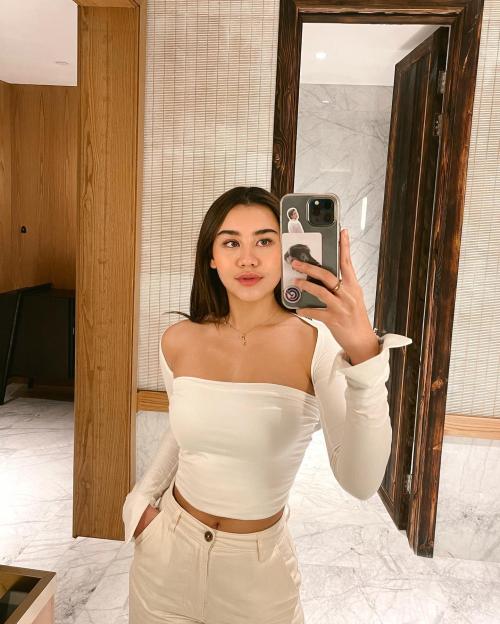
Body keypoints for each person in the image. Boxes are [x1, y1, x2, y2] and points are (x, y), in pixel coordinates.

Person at [122, 186, 412, 624]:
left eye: (264, 241)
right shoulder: (178, 340)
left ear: (287, 253)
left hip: (257, 581)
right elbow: (187, 434)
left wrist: (365, 357)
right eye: (230, 243)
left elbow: (360, 481)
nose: (248, 259)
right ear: (211, 258)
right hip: (164, 565)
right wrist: (141, 502)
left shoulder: (317, 344)